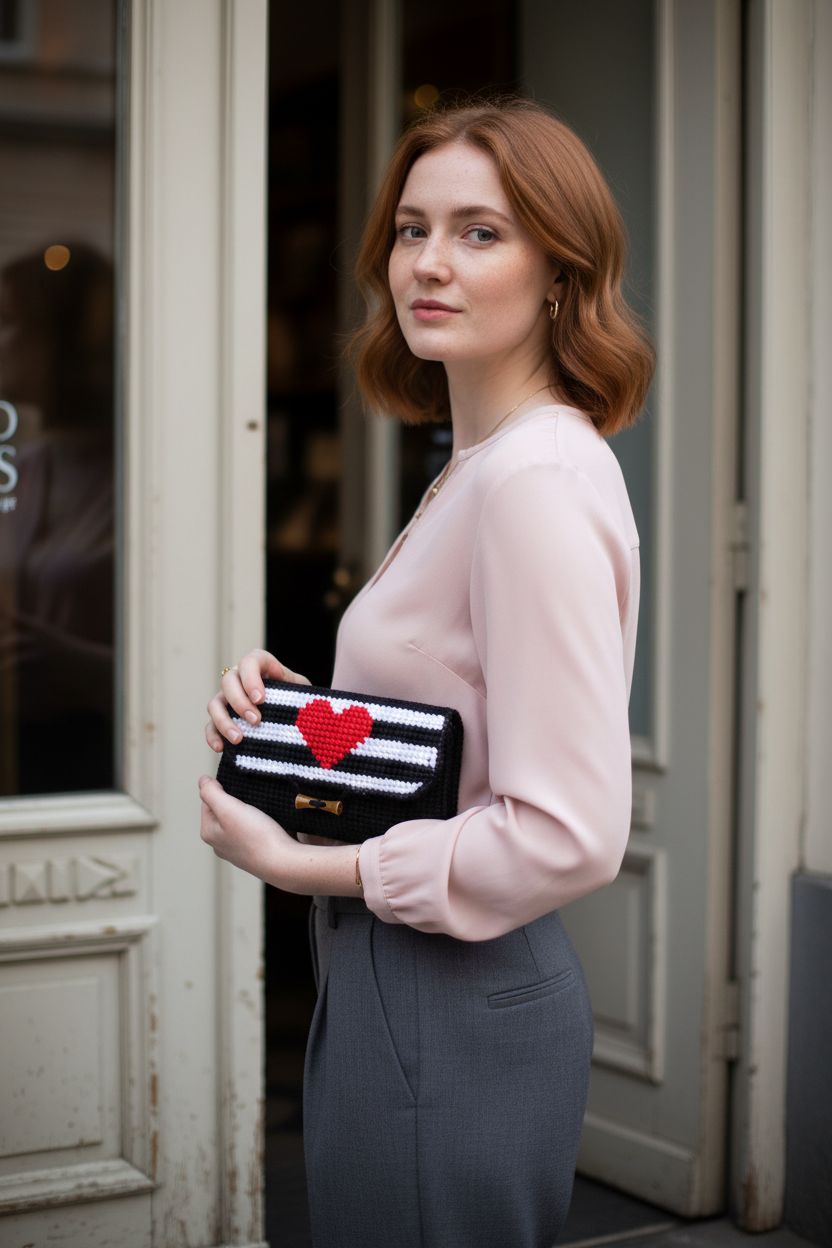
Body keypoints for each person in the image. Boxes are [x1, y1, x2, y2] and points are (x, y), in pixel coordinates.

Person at [198, 97, 654, 1248]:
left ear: (561, 271)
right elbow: (461, 730)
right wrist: (300, 723)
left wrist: (311, 862)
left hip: (448, 1006)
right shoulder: (484, 466)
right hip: (409, 992)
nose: (428, 264)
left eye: (480, 232)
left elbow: (567, 833)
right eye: (410, 229)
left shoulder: (531, 483)